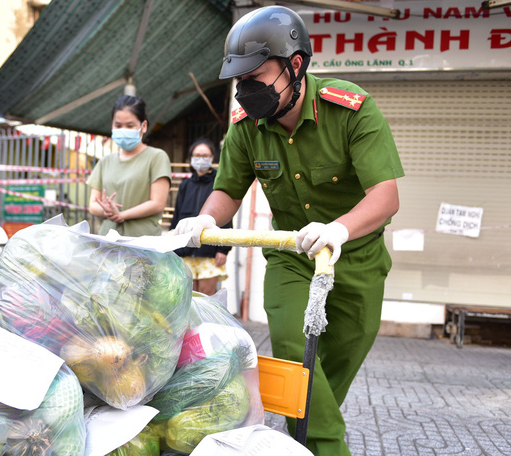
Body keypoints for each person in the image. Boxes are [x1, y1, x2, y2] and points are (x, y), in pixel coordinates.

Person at [174, 6, 404, 455]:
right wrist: (207, 218)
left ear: (295, 65)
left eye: (256, 76)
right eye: (240, 81)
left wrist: (338, 229)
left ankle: (303, 440)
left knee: (323, 382)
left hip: (357, 260)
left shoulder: (351, 109)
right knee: (294, 351)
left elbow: (385, 196)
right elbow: (228, 190)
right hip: (291, 257)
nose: (247, 92)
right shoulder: (246, 127)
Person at [87, 95, 171, 236]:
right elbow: (93, 205)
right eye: (118, 125)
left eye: (130, 126)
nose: (123, 129)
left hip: (142, 244)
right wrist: (108, 211)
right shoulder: (105, 162)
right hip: (108, 241)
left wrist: (122, 215)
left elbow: (157, 203)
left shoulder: (157, 157)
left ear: (143, 126)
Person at [170, 138, 232, 295]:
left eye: (205, 155)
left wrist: (223, 250)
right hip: (185, 251)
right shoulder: (185, 185)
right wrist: (172, 245)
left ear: (212, 158)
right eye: (197, 155)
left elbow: (226, 214)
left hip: (209, 252)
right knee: (186, 297)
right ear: (191, 157)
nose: (200, 159)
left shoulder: (218, 183)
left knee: (206, 296)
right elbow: (177, 215)